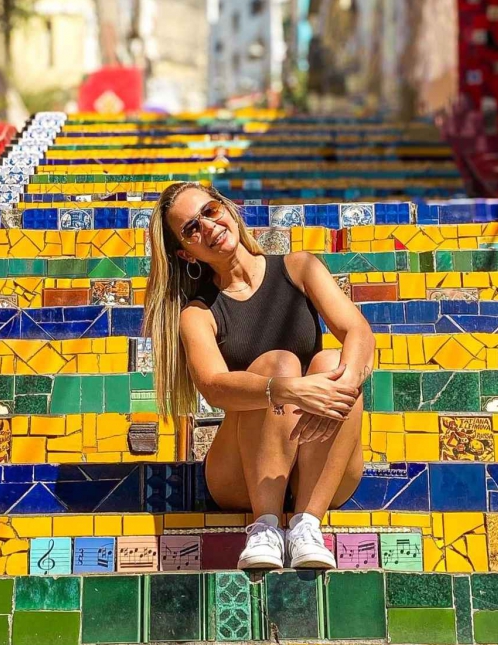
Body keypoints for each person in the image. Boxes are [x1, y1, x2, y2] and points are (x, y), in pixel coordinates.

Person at [143, 181, 374, 570]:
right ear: (186, 253)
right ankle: (264, 527)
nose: (208, 227)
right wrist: (289, 391)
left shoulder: (299, 267)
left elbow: (359, 332)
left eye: (210, 211)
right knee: (278, 364)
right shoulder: (197, 314)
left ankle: (307, 524)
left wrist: (335, 393)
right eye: (191, 229)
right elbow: (213, 385)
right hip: (242, 479)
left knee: (334, 363)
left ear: (227, 209)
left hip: (317, 467)